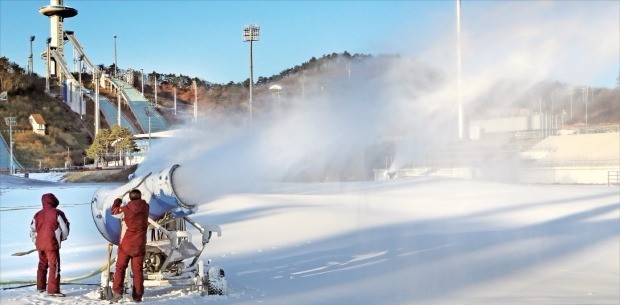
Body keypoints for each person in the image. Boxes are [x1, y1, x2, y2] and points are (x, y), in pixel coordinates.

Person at [110, 189, 150, 303]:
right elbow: (142, 204)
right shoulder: (146, 207)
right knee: (138, 271)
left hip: (126, 245)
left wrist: (118, 199)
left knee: (120, 268)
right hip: (140, 244)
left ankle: (117, 293)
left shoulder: (125, 209)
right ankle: (137, 296)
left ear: (130, 198)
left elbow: (113, 211)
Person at [30, 193, 70, 297]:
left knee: (42, 264)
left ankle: (41, 287)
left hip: (40, 244)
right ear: (54, 201)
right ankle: (53, 290)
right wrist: (62, 238)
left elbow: (32, 230)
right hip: (52, 244)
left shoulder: (37, 214)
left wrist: (36, 241)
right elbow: (65, 229)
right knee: (54, 265)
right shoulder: (58, 213)